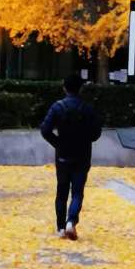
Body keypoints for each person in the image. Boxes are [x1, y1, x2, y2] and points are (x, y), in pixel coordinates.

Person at [40, 73, 102, 240]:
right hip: (82, 155)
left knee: (61, 191)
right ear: (79, 89)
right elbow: (96, 133)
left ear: (64, 88)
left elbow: (45, 130)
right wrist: (85, 138)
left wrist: (57, 143)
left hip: (63, 155)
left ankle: (60, 227)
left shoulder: (57, 107)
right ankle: (71, 221)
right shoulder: (87, 108)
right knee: (77, 192)